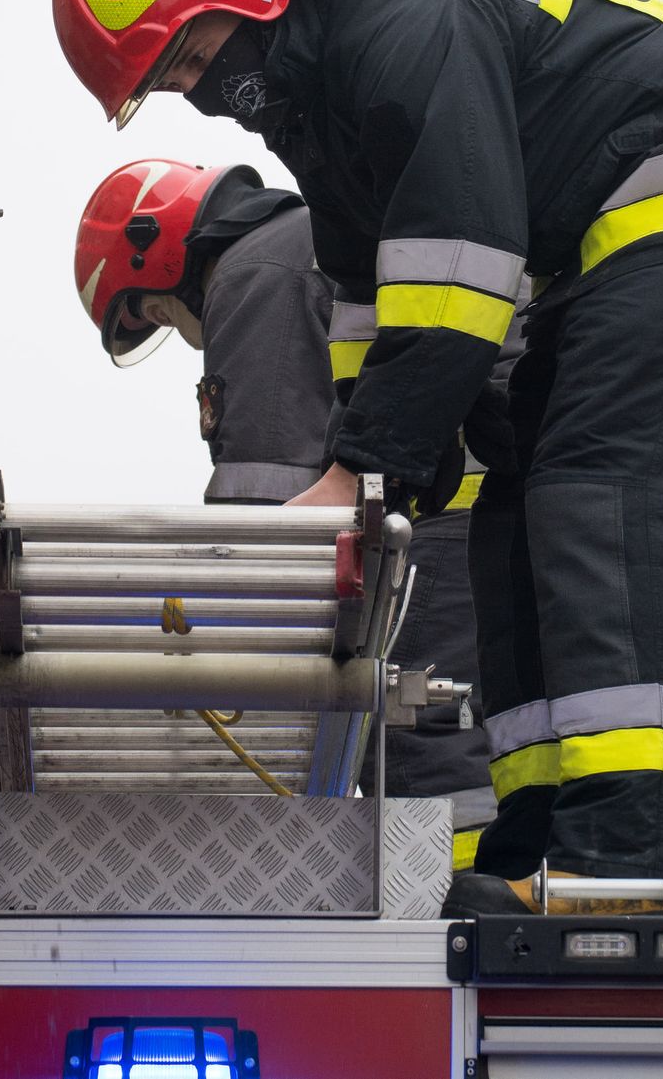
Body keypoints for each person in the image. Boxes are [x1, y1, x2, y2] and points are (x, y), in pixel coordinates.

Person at [53, 0, 663, 912]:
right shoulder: (318, 108)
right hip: (592, 251)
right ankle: (538, 833)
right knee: (510, 519)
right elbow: (367, 297)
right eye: (173, 82)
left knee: (598, 505)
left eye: (191, 56)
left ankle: (628, 857)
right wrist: (374, 476)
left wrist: (352, 472)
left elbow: (462, 269)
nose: (200, 96)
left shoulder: (398, 32)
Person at [72, 157, 497, 865]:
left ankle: (459, 921)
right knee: (484, 739)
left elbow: (264, 519)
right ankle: (516, 898)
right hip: (480, 514)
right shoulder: (306, 241)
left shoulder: (253, 274)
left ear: (164, 246)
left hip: (435, 532)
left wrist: (190, 639)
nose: (170, 328)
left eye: (146, 307)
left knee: (422, 754)